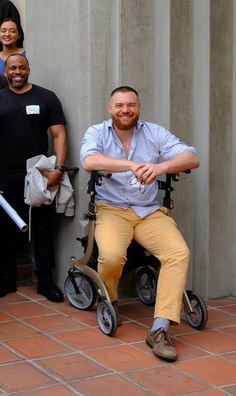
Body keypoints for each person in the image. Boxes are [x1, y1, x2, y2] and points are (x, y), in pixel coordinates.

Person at [80, 86, 199, 362]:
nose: (125, 110)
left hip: (148, 211)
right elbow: (89, 160)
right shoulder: (96, 132)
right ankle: (108, 298)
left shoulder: (155, 132)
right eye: (119, 105)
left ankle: (159, 330)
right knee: (110, 256)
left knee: (177, 253)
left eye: (130, 105)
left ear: (139, 106)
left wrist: (160, 168)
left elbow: (191, 157)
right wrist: (131, 165)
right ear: (110, 108)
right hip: (111, 210)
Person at [0, 54, 68, 303]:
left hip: (38, 174)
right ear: (5, 72)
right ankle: (5, 279)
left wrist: (59, 169)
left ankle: (45, 280)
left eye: (21, 67)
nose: (17, 71)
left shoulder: (46, 97)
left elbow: (59, 135)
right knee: (4, 229)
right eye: (12, 68)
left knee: (42, 227)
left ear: (29, 70)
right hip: (4, 175)